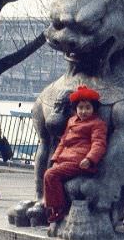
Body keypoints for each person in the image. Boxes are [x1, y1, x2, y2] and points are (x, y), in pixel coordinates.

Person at [43, 85, 108, 224]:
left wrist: (90, 159)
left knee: (50, 175)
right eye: (81, 108)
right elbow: (63, 142)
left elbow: (99, 144)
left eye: (87, 108)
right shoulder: (71, 121)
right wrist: (55, 158)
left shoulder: (97, 124)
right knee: (50, 172)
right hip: (65, 159)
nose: (84, 111)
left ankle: (57, 209)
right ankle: (51, 206)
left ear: (94, 109)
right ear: (76, 109)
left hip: (79, 161)